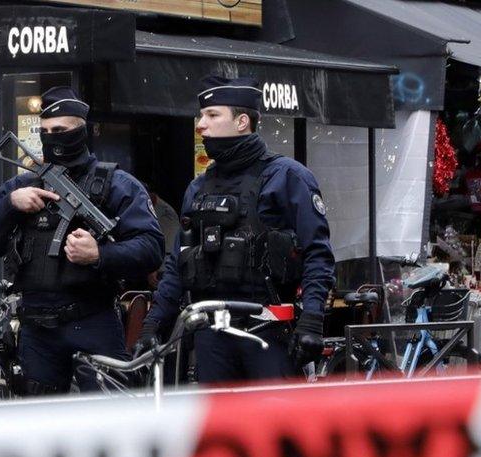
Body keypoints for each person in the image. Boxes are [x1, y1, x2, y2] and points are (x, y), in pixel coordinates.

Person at [137, 75, 335, 383]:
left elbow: (317, 254)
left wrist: (311, 321)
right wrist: (153, 324)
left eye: (212, 115)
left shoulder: (287, 177)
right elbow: (178, 263)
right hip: (211, 335)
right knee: (218, 429)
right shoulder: (198, 188)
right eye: (201, 115)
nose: (201, 124)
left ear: (242, 121)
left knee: (273, 427)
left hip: (268, 330)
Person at [0, 86, 163, 395]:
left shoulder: (117, 185)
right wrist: (10, 206)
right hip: (37, 329)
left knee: (109, 420)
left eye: (60, 130)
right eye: (45, 131)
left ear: (81, 131)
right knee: (40, 427)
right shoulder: (21, 186)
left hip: (92, 320)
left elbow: (152, 249)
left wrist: (100, 254)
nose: (52, 137)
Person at [145, 182, 181, 289]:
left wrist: (155, 268)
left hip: (163, 270)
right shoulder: (149, 209)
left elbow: (168, 246)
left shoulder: (166, 213)